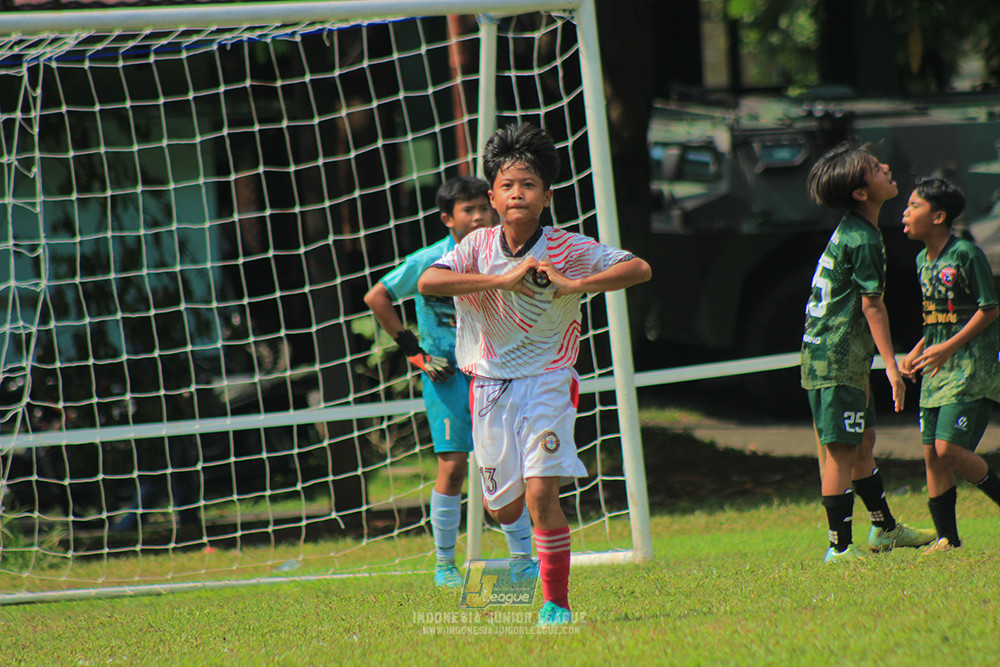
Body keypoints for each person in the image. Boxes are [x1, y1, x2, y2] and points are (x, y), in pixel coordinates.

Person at [418, 122, 651, 626]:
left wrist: (574, 286)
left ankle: (556, 603)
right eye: (507, 185)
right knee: (502, 509)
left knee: (544, 490)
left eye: (528, 184)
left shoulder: (567, 247)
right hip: (490, 386)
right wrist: (501, 280)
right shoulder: (476, 247)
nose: (517, 193)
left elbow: (639, 268)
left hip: (549, 378)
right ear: (493, 197)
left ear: (546, 196)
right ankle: (519, 552)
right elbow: (427, 280)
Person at [363, 175, 534, 588]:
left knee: (507, 466)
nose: (478, 217)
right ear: (447, 219)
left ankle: (523, 560)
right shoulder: (430, 261)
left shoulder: (503, 255)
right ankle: (444, 564)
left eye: (482, 208)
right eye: (467, 210)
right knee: (454, 467)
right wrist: (414, 351)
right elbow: (376, 297)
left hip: (496, 373)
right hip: (448, 377)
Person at [801, 141, 936, 563]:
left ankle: (883, 528)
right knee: (841, 449)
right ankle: (838, 548)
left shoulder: (858, 230)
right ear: (860, 192)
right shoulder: (862, 239)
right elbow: (871, 305)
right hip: (836, 359)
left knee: (863, 443)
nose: (887, 168)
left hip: (841, 357)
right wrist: (892, 367)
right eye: (877, 168)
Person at [899, 177, 1000, 553]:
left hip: (970, 369)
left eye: (914, 206)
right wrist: (918, 350)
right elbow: (940, 319)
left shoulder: (966, 254)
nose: (905, 213)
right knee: (931, 454)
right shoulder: (922, 260)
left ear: (938, 216)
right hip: (937, 370)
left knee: (948, 450)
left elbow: (989, 310)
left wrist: (947, 349)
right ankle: (947, 539)